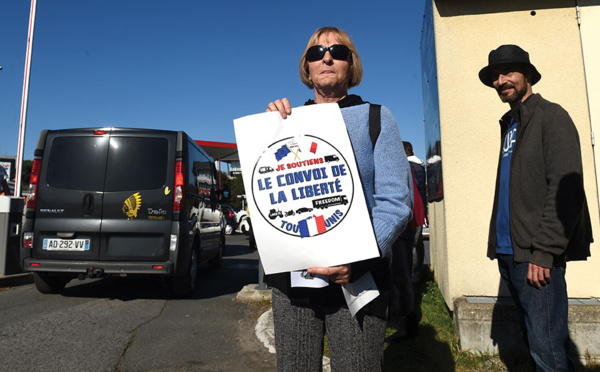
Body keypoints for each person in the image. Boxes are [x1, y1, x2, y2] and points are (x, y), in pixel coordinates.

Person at [266, 27, 412, 371]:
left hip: (359, 279)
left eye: (337, 51)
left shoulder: (377, 118)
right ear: (307, 66)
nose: (327, 57)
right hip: (295, 282)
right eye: (316, 53)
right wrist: (268, 129)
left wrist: (358, 260)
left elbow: (395, 201)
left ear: (351, 63)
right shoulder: (285, 122)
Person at [479, 44, 593, 371]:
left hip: (536, 255)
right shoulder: (511, 123)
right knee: (537, 343)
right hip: (510, 252)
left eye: (509, 72)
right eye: (495, 76)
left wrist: (545, 250)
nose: (501, 81)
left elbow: (566, 187)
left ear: (527, 75)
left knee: (547, 350)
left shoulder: (550, 116)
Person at [403, 141, 427, 284]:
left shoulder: (407, 167)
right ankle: (418, 272)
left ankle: (412, 275)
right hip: (420, 209)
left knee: (410, 244)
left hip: (411, 210)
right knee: (418, 243)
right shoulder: (420, 166)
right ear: (412, 151)